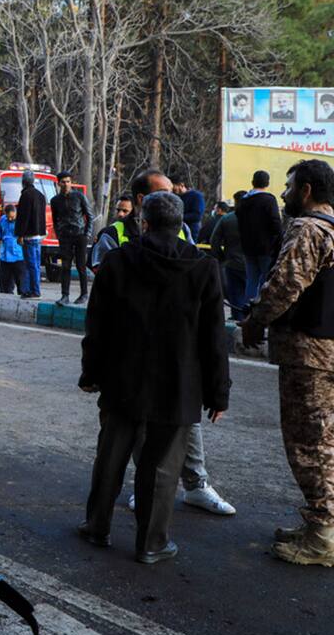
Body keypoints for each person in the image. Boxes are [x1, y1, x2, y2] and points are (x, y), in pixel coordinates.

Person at [78, 191, 229, 564]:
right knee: (161, 468)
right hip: (178, 387)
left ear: (143, 223)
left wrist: (91, 373)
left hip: (122, 379)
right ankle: (151, 543)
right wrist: (218, 393)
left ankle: (97, 526)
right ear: (182, 227)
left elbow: (98, 326)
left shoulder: (118, 262)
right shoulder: (203, 268)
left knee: (110, 456)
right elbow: (213, 338)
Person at [242, 159, 334, 566]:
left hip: (308, 351)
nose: (283, 195)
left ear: (307, 191)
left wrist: (253, 321)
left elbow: (283, 285)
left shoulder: (306, 229)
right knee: (325, 439)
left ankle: (323, 535)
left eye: (289, 186)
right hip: (327, 349)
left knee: (308, 445)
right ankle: (320, 524)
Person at [237, 170, 283, 303]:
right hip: (266, 248)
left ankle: (246, 310)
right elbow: (276, 223)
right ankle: (260, 312)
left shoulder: (243, 201)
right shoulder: (269, 200)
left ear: (252, 182)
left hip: (248, 248)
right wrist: (279, 241)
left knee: (251, 280)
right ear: (267, 183)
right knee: (265, 281)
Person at [50, 171, 92, 305]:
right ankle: (65, 295)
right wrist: (59, 234)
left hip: (80, 235)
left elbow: (89, 216)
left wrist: (87, 234)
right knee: (65, 266)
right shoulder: (55, 200)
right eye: (63, 182)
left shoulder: (79, 196)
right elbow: (55, 219)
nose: (66, 184)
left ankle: (84, 294)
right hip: (65, 237)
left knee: (81, 266)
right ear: (59, 183)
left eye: (68, 181)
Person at [209, 195, 247, 322]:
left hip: (232, 262)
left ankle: (238, 320)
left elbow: (214, 240)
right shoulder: (258, 219)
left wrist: (221, 257)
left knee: (235, 294)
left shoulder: (227, 219)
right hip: (253, 264)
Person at [14, 170, 46, 298]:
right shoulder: (40, 195)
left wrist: (20, 234)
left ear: (23, 182)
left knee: (29, 264)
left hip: (29, 236)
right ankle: (34, 289)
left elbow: (23, 217)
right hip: (39, 235)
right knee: (36, 264)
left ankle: (32, 291)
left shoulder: (26, 195)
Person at [0, 203, 24, 293]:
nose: (10, 219)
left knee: (20, 279)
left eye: (12, 217)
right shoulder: (3, 219)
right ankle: (5, 292)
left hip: (17, 254)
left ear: (15, 213)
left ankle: (21, 293)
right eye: (8, 217)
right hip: (5, 254)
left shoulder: (21, 221)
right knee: (4, 279)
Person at [171, 172, 206, 242]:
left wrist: (176, 218)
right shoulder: (174, 196)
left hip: (191, 230)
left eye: (173, 187)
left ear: (181, 185)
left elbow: (197, 215)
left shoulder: (196, 196)